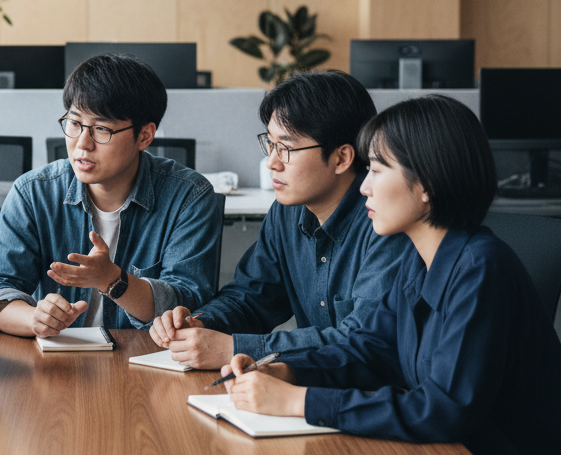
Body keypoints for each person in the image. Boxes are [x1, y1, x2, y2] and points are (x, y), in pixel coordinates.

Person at [223, 94, 561, 455]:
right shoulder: (417, 259)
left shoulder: (482, 268)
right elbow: (370, 347)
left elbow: (443, 408)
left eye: (378, 169)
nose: (364, 185)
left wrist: (299, 401)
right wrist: (287, 370)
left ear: (426, 184)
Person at [149, 70, 413, 370]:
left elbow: (363, 341)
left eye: (286, 148)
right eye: (270, 144)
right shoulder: (288, 211)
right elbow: (252, 297)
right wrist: (201, 322)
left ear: (341, 158)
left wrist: (234, 348)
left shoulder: (385, 222)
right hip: (309, 388)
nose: (272, 162)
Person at [0, 53, 223, 337]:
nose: (82, 143)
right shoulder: (33, 193)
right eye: (75, 123)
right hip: (58, 361)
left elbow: (188, 303)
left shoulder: (190, 197)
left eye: (102, 129)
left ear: (144, 135)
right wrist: (35, 319)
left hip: (143, 362)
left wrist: (113, 281)